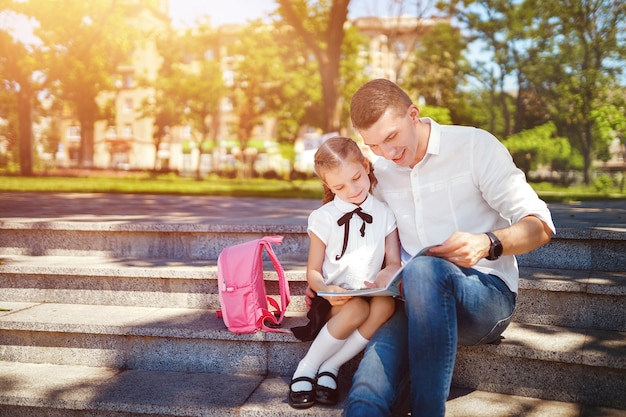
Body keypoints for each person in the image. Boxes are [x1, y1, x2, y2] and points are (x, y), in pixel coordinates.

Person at [304, 79, 555, 416]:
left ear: (413, 114)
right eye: (374, 145)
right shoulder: (377, 172)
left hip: (484, 296)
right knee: (366, 394)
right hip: (408, 299)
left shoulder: (473, 146)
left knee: (424, 269)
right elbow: (354, 228)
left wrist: (487, 242)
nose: (388, 154)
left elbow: (540, 225)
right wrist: (324, 282)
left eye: (391, 137)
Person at [288, 136, 402, 409]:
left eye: (357, 178)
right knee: (356, 310)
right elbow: (313, 272)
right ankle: (306, 368)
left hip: (369, 293)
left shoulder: (385, 213)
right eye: (339, 186)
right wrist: (327, 291)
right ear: (328, 185)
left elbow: (394, 261)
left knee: (385, 305)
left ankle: (331, 366)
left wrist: (387, 275)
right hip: (332, 301)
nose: (352, 190)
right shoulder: (323, 217)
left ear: (365, 166)